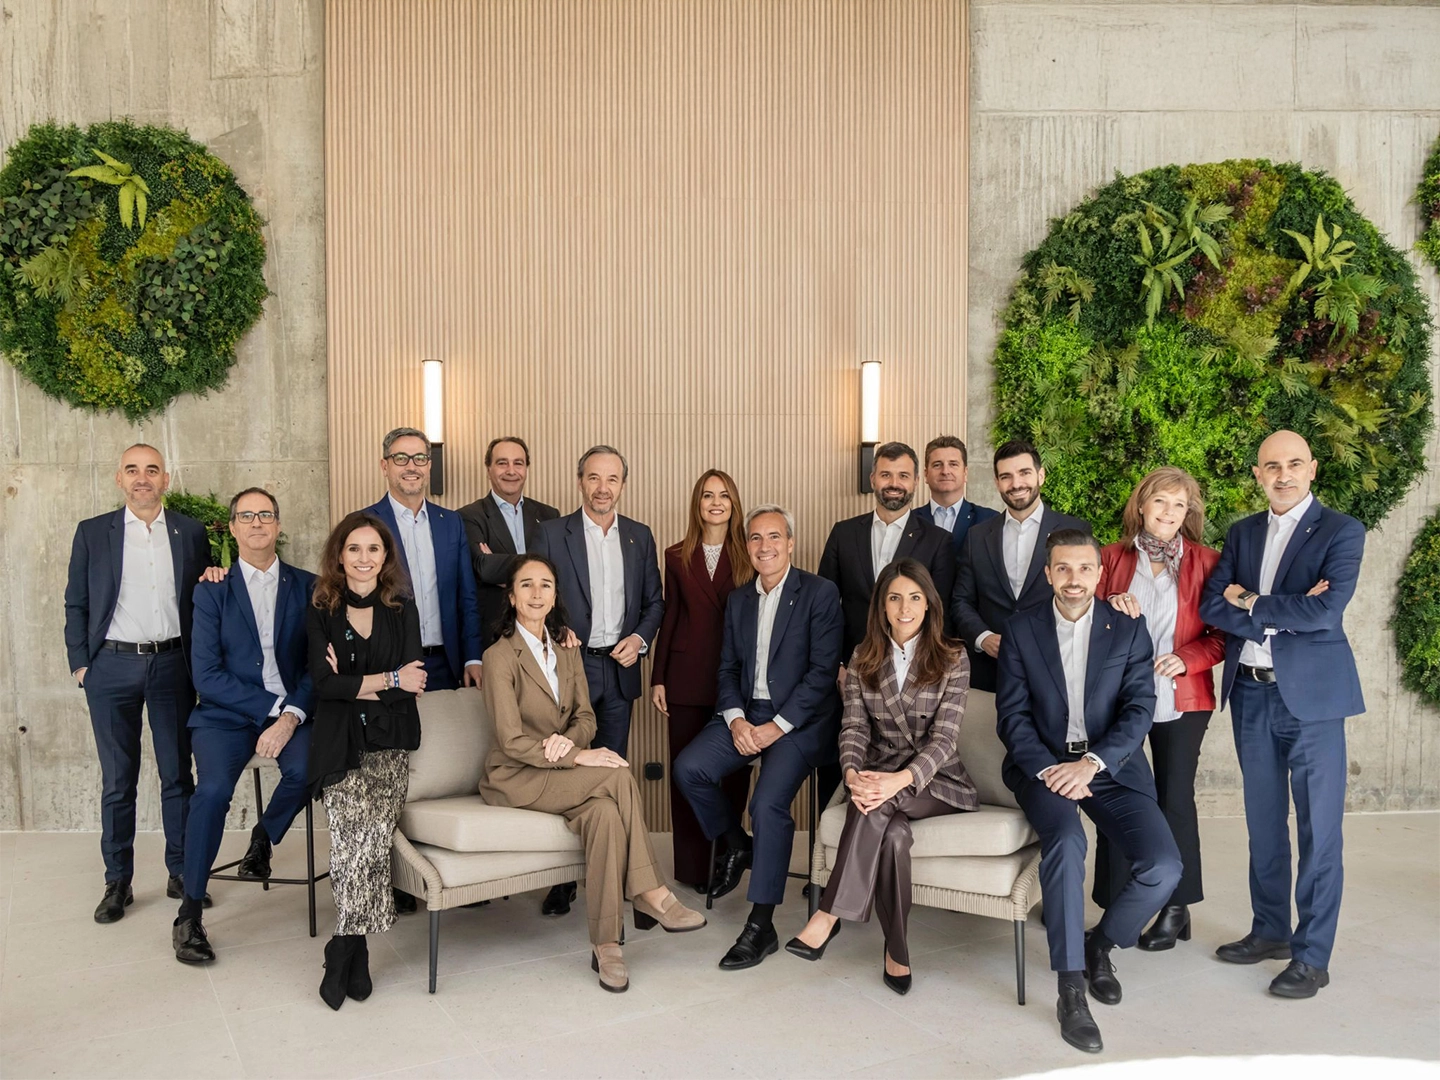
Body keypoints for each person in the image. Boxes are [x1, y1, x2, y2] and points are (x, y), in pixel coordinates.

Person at [481, 555, 705, 993]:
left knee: (604, 815)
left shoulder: (567, 648)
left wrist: (574, 742)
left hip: (557, 769)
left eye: (546, 584)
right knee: (617, 774)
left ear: (555, 595)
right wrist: (575, 757)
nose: (537, 593)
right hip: (515, 775)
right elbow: (509, 741)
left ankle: (607, 946)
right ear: (511, 597)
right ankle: (650, 891)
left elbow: (585, 718)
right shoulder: (497, 657)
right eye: (526, 585)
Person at [996, 529, 1182, 1054]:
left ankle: (1099, 945)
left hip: (1112, 766)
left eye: (1084, 569)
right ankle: (1070, 987)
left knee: (1164, 866)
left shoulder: (1126, 628)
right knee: (1067, 842)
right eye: (1063, 568)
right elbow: (1011, 719)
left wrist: (1093, 763)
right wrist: (1055, 770)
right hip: (1045, 768)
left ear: (1100, 574)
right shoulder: (1021, 629)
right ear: (1049, 573)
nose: (1074, 579)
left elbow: (1139, 708)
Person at [1199, 430, 1364, 1000]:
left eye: (1294, 464)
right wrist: (1265, 607)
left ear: (1312, 469)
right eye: (1272, 466)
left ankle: (1312, 957)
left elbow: (1324, 612)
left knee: (1320, 831)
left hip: (1315, 702)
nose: (1284, 474)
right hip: (1250, 692)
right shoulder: (1242, 532)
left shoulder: (1342, 531)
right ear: (1257, 474)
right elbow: (1212, 604)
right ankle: (1270, 931)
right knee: (1264, 824)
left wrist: (1253, 602)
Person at [785, 559, 976, 995]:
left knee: (880, 800)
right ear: (882, 607)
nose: (904, 607)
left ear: (928, 605)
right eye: (894, 598)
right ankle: (897, 949)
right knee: (893, 837)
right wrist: (852, 771)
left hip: (938, 781)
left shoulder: (953, 656)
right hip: (878, 776)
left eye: (914, 597)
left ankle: (827, 914)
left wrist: (898, 780)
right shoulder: (863, 656)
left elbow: (945, 739)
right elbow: (854, 727)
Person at [672, 505, 844, 971]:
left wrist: (776, 727)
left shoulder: (820, 593)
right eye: (754, 538)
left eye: (774, 537)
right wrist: (736, 720)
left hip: (799, 722)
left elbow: (822, 673)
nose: (764, 546)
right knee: (689, 769)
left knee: (767, 804)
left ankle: (761, 922)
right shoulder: (740, 600)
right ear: (745, 546)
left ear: (791, 543)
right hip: (746, 715)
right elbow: (726, 668)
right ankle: (737, 844)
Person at [64, 443, 213, 923]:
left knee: (177, 775)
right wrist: (81, 665)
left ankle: (181, 872)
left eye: (152, 470)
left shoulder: (190, 533)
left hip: (173, 665)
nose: (142, 478)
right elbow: (76, 603)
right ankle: (118, 882)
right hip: (110, 668)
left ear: (165, 479)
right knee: (117, 780)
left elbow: (204, 601)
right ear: (119, 479)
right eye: (133, 470)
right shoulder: (93, 533)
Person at [174, 488, 316, 964]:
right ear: (232, 528)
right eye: (246, 516)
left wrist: (292, 714)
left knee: (310, 765)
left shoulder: (310, 586)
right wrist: (274, 707)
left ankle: (263, 836)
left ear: (278, 525)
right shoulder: (211, 588)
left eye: (266, 515)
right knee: (211, 792)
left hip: (292, 712)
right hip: (226, 715)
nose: (257, 523)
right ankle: (189, 914)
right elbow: (206, 675)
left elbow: (319, 668)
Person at [1093, 467, 1226, 951]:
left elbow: (1222, 635)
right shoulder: (1109, 558)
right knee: (1118, 797)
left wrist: (1186, 658)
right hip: (1120, 699)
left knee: (1173, 799)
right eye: (1160, 502)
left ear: (1188, 513)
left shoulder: (1208, 562)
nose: (1169, 512)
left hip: (1182, 698)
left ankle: (1175, 908)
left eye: (1179, 505)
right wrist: (1109, 605)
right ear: (1142, 506)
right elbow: (1081, 623)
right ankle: (1115, 910)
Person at [533, 445, 663, 917]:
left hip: (620, 668)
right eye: (593, 478)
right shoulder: (551, 534)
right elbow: (534, 594)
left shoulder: (639, 537)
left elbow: (655, 602)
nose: (602, 488)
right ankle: (563, 880)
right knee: (566, 769)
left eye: (611, 479)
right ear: (580, 481)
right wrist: (554, 625)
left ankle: (624, 880)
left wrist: (640, 637)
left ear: (622, 485)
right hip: (571, 669)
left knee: (611, 774)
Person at [306, 511, 426, 1010]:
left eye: (373, 549)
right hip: (340, 746)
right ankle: (350, 951)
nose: (363, 558)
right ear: (339, 555)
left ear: (385, 557)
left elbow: (415, 681)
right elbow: (322, 684)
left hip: (391, 744)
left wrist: (362, 686)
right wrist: (386, 679)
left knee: (372, 849)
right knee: (350, 850)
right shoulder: (320, 608)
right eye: (354, 549)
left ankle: (346, 947)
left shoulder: (402, 608)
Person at [649, 469, 754, 890]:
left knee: (732, 774)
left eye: (724, 496)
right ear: (697, 503)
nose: (716, 502)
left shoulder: (750, 552)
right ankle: (694, 869)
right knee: (684, 774)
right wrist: (658, 677)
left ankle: (728, 857)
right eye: (708, 495)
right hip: (686, 676)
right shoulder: (676, 555)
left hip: (738, 678)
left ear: (734, 504)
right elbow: (670, 616)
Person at [951, 439, 1089, 692]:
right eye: (1006, 476)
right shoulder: (977, 537)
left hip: (1056, 671)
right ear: (997, 483)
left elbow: (1086, 598)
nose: (1016, 484)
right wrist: (983, 638)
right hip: (990, 674)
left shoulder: (1075, 531)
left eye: (1024, 473)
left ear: (1041, 475)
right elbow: (961, 600)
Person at [364, 426, 482, 693]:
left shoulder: (451, 523)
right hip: (388, 667)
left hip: (447, 664)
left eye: (419, 458)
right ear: (385, 465)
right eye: (401, 458)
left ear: (429, 466)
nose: (411, 466)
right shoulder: (365, 523)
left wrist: (473, 656)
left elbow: (467, 597)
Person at [819, 440, 956, 666]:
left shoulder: (938, 541)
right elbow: (825, 607)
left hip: (914, 666)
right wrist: (837, 666)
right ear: (872, 479)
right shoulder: (843, 533)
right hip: (853, 661)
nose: (894, 483)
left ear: (916, 482)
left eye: (903, 476)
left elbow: (942, 615)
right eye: (885, 475)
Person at [458, 436, 559, 656]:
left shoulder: (549, 515)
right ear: (489, 469)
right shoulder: (469, 516)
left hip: (542, 634)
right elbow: (483, 567)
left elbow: (557, 568)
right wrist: (537, 566)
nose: (510, 470)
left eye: (518, 463)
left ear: (526, 468)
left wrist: (501, 568)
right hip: (495, 636)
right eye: (502, 463)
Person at [913, 435, 998, 557]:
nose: (945, 471)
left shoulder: (989, 520)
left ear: (965, 473)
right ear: (926, 474)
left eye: (953, 464)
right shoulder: (911, 521)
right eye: (937, 465)